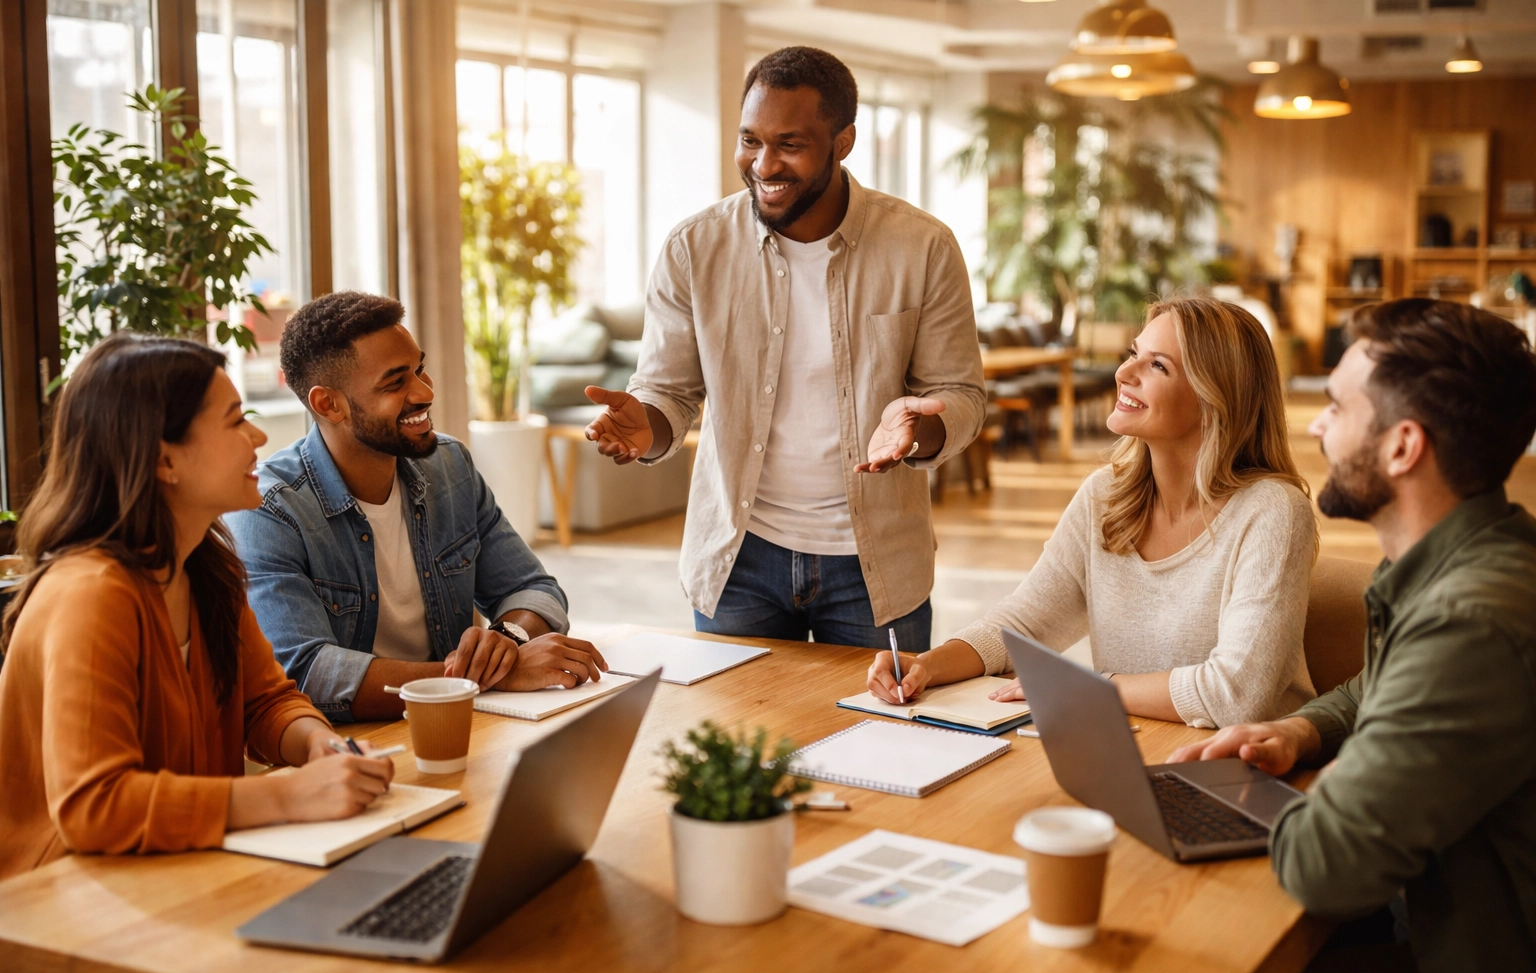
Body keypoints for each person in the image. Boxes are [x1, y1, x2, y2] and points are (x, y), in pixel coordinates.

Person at [1171, 299, 1536, 973]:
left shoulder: (1469, 623)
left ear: (1402, 447)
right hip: (1421, 922)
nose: (1315, 424)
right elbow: (1386, 683)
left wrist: (1348, 776)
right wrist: (1305, 732)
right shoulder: (1481, 558)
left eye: (1336, 406)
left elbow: (1326, 866)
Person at [582, 46, 985, 652]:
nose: (763, 164)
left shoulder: (922, 247)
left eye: (789, 145)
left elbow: (961, 394)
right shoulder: (694, 249)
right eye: (750, 140)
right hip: (738, 562)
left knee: (880, 745)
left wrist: (917, 428)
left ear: (843, 141)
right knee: (742, 748)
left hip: (875, 565)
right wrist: (648, 427)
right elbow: (667, 393)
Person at [0, 335, 392, 884]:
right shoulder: (90, 594)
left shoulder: (207, 570)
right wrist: (282, 794)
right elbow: (96, 807)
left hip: (175, 868)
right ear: (164, 459)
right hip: (63, 897)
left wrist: (321, 746)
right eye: (235, 421)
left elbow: (264, 703)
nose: (257, 436)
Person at [868, 297, 1318, 728]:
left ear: (1216, 398)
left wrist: (1084, 687)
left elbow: (1236, 696)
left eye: (1157, 365)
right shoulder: (1106, 496)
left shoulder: (1273, 512)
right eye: (1133, 354)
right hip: (1133, 752)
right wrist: (927, 666)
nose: (1124, 372)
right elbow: (1024, 624)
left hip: (1253, 770)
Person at [226, 292, 605, 724]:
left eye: (419, 370)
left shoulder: (449, 465)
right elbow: (306, 672)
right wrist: (487, 678)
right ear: (328, 404)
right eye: (395, 382)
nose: (424, 393)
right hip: (350, 749)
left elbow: (535, 588)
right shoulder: (269, 510)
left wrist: (506, 638)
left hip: (460, 723)